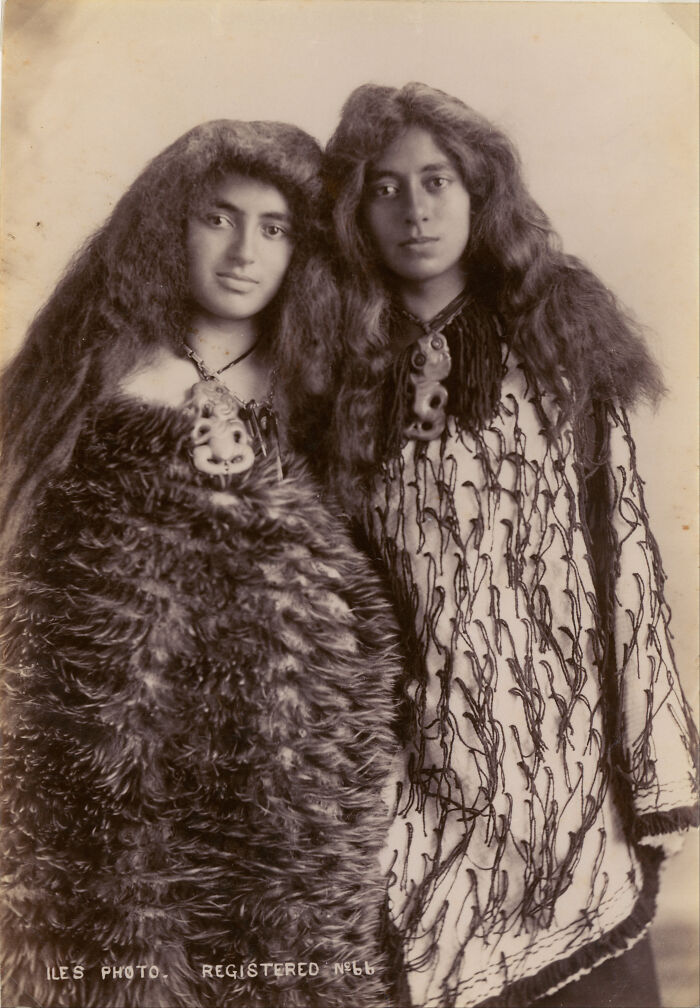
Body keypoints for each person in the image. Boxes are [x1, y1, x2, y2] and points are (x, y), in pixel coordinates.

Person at [0, 119, 402, 1008]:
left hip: (288, 768)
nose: (243, 252)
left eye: (275, 227)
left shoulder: (328, 384)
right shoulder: (86, 372)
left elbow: (370, 568)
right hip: (110, 764)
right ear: (168, 225)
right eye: (217, 219)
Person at [322, 82, 699, 1008]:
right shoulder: (326, 363)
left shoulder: (558, 335)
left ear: (478, 190)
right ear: (354, 209)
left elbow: (626, 562)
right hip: (412, 781)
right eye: (385, 187)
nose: (415, 210)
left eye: (437, 180)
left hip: (564, 776)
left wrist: (659, 774)